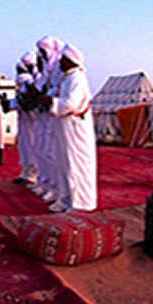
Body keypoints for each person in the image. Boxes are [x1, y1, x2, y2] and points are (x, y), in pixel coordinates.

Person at [49, 42, 97, 212]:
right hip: (65, 129)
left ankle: (80, 203)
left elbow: (71, 104)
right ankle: (66, 199)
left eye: (63, 59)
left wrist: (50, 103)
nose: (60, 62)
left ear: (70, 61)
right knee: (65, 165)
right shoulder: (67, 79)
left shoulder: (77, 78)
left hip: (76, 130)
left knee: (76, 166)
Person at [30, 36, 62, 202]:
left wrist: (45, 96)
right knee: (42, 151)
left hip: (54, 116)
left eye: (43, 51)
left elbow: (58, 90)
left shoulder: (59, 68)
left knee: (53, 154)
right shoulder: (46, 72)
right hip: (43, 116)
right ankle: (46, 183)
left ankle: (56, 189)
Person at [10, 51, 38, 184]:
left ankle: (33, 174)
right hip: (24, 122)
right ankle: (26, 173)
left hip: (33, 122)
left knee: (32, 148)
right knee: (24, 147)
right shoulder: (23, 86)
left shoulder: (31, 84)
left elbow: (30, 102)